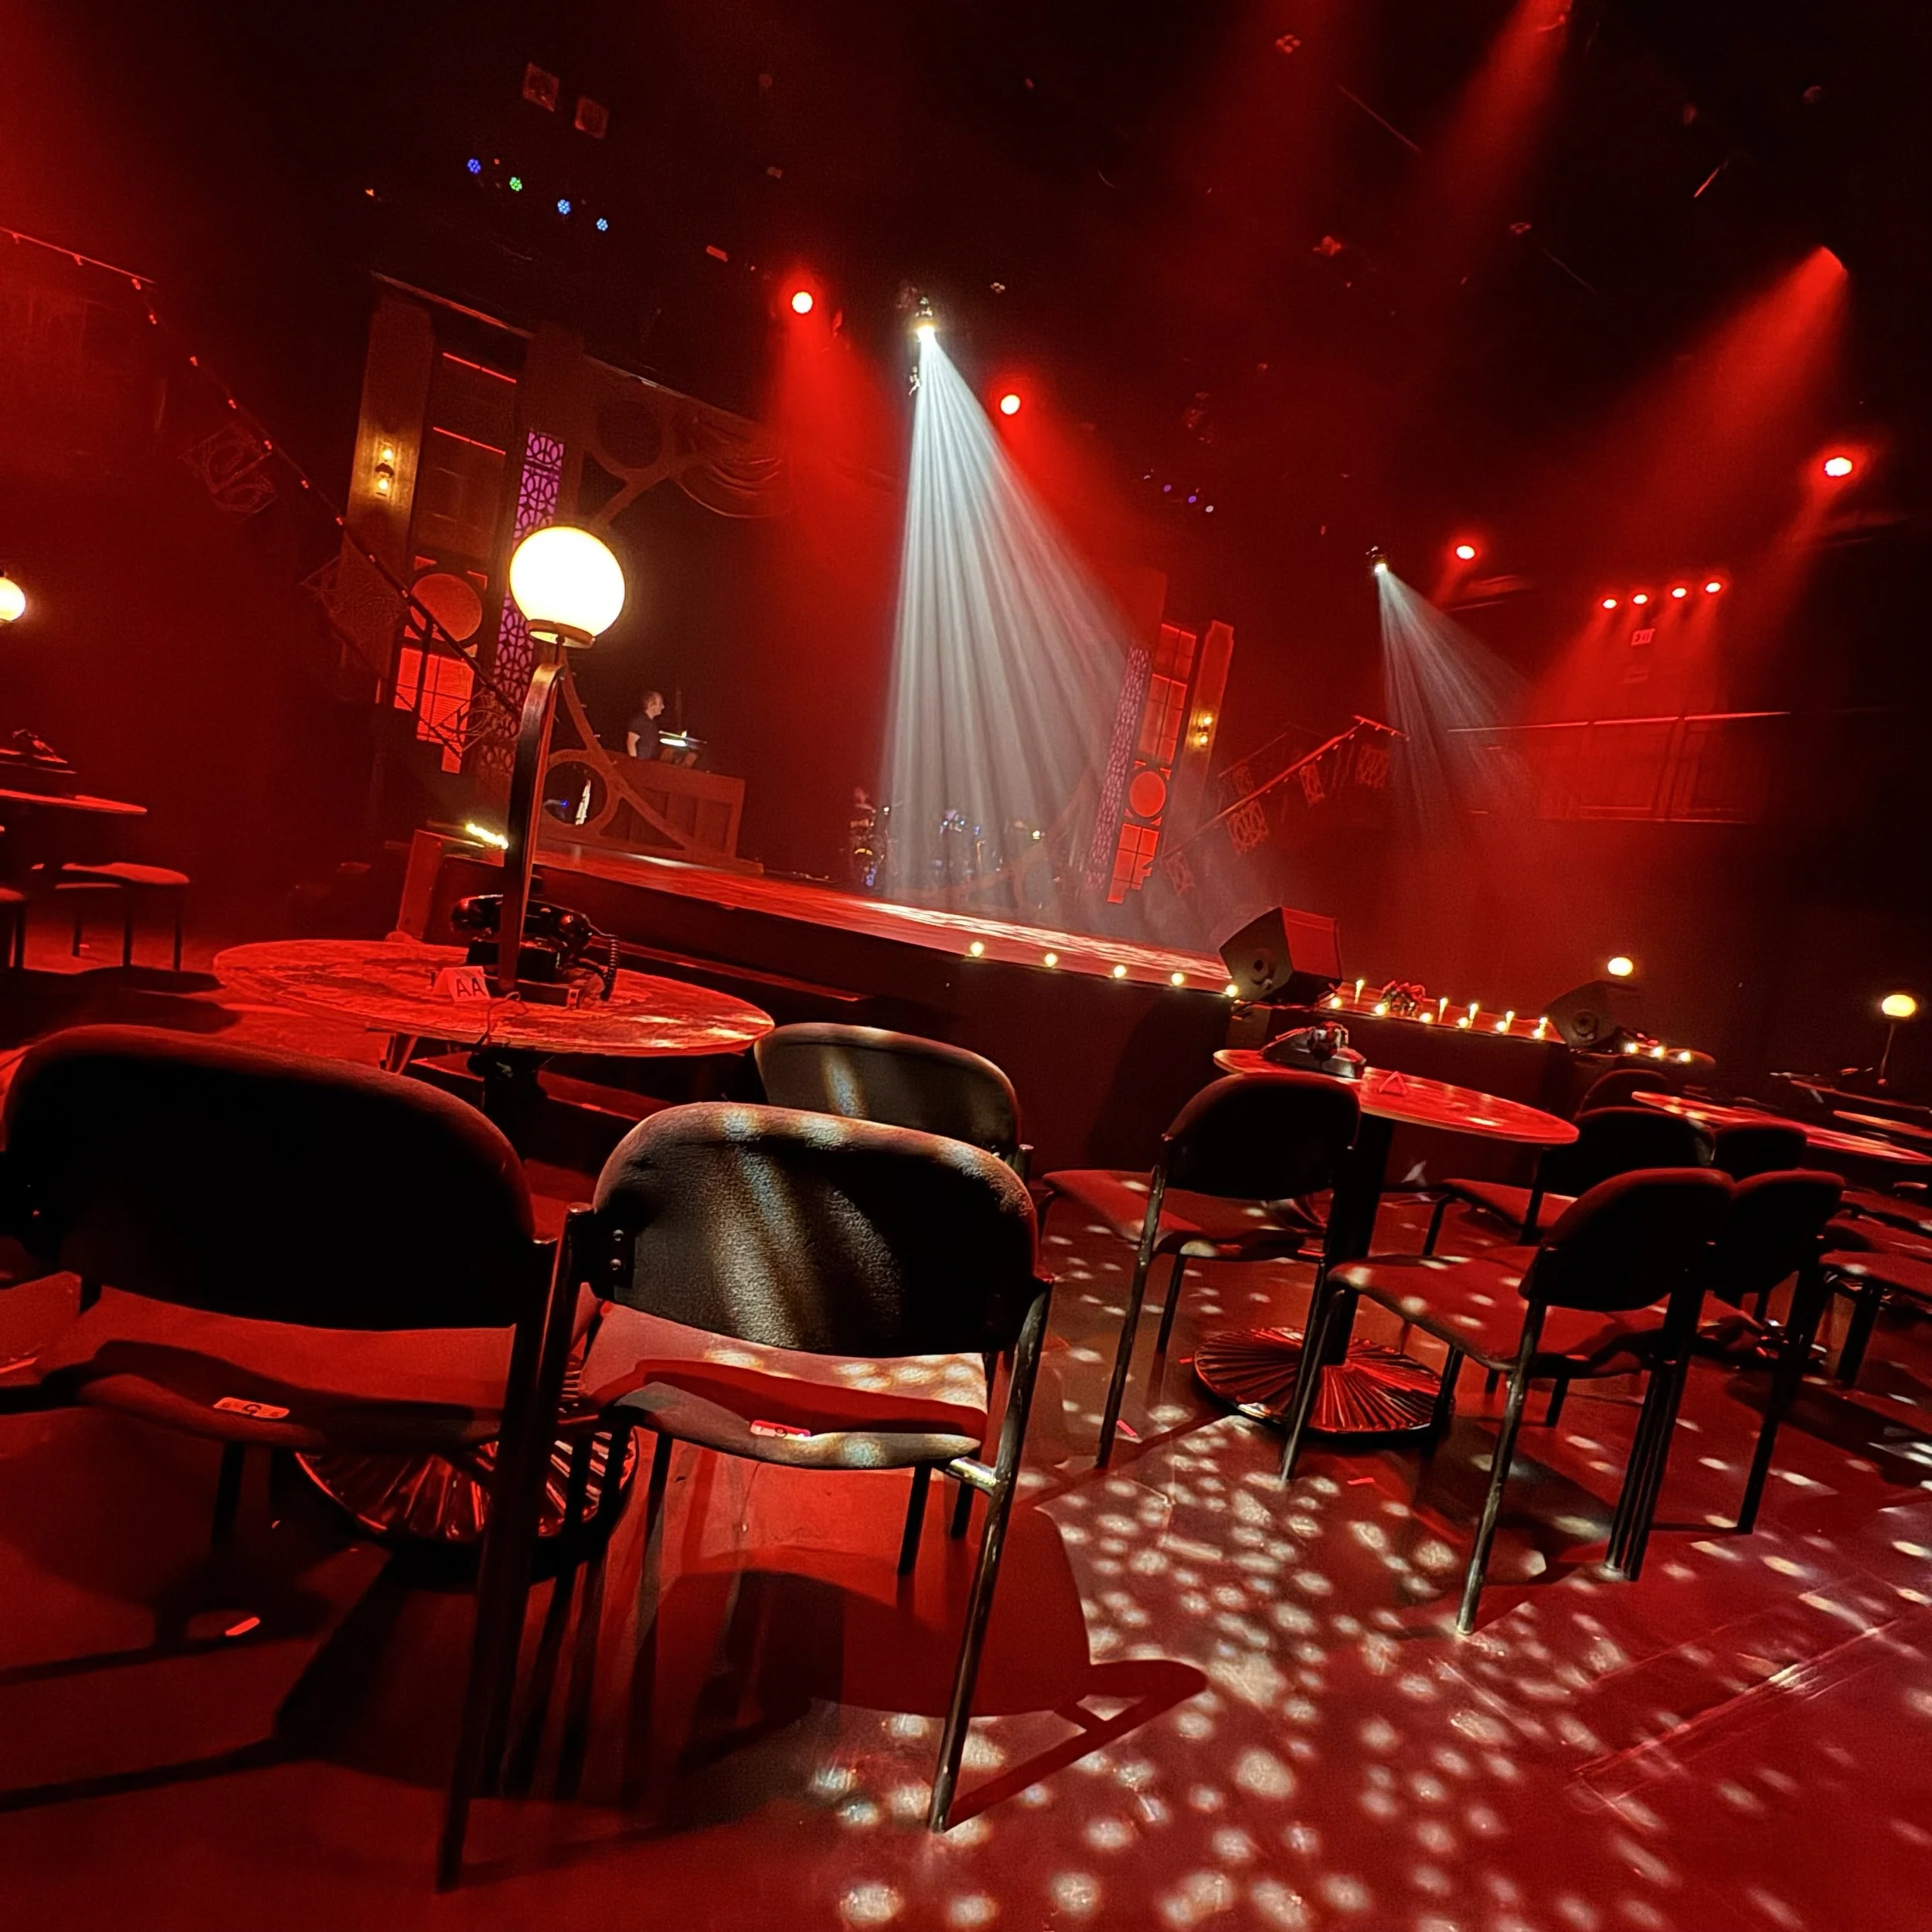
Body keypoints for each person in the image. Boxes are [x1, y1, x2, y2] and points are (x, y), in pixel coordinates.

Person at [625, 689, 665, 760]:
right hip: (639, 766)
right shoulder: (640, 721)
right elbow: (631, 742)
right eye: (660, 704)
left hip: (647, 765)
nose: (663, 707)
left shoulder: (653, 725)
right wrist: (634, 764)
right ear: (651, 705)